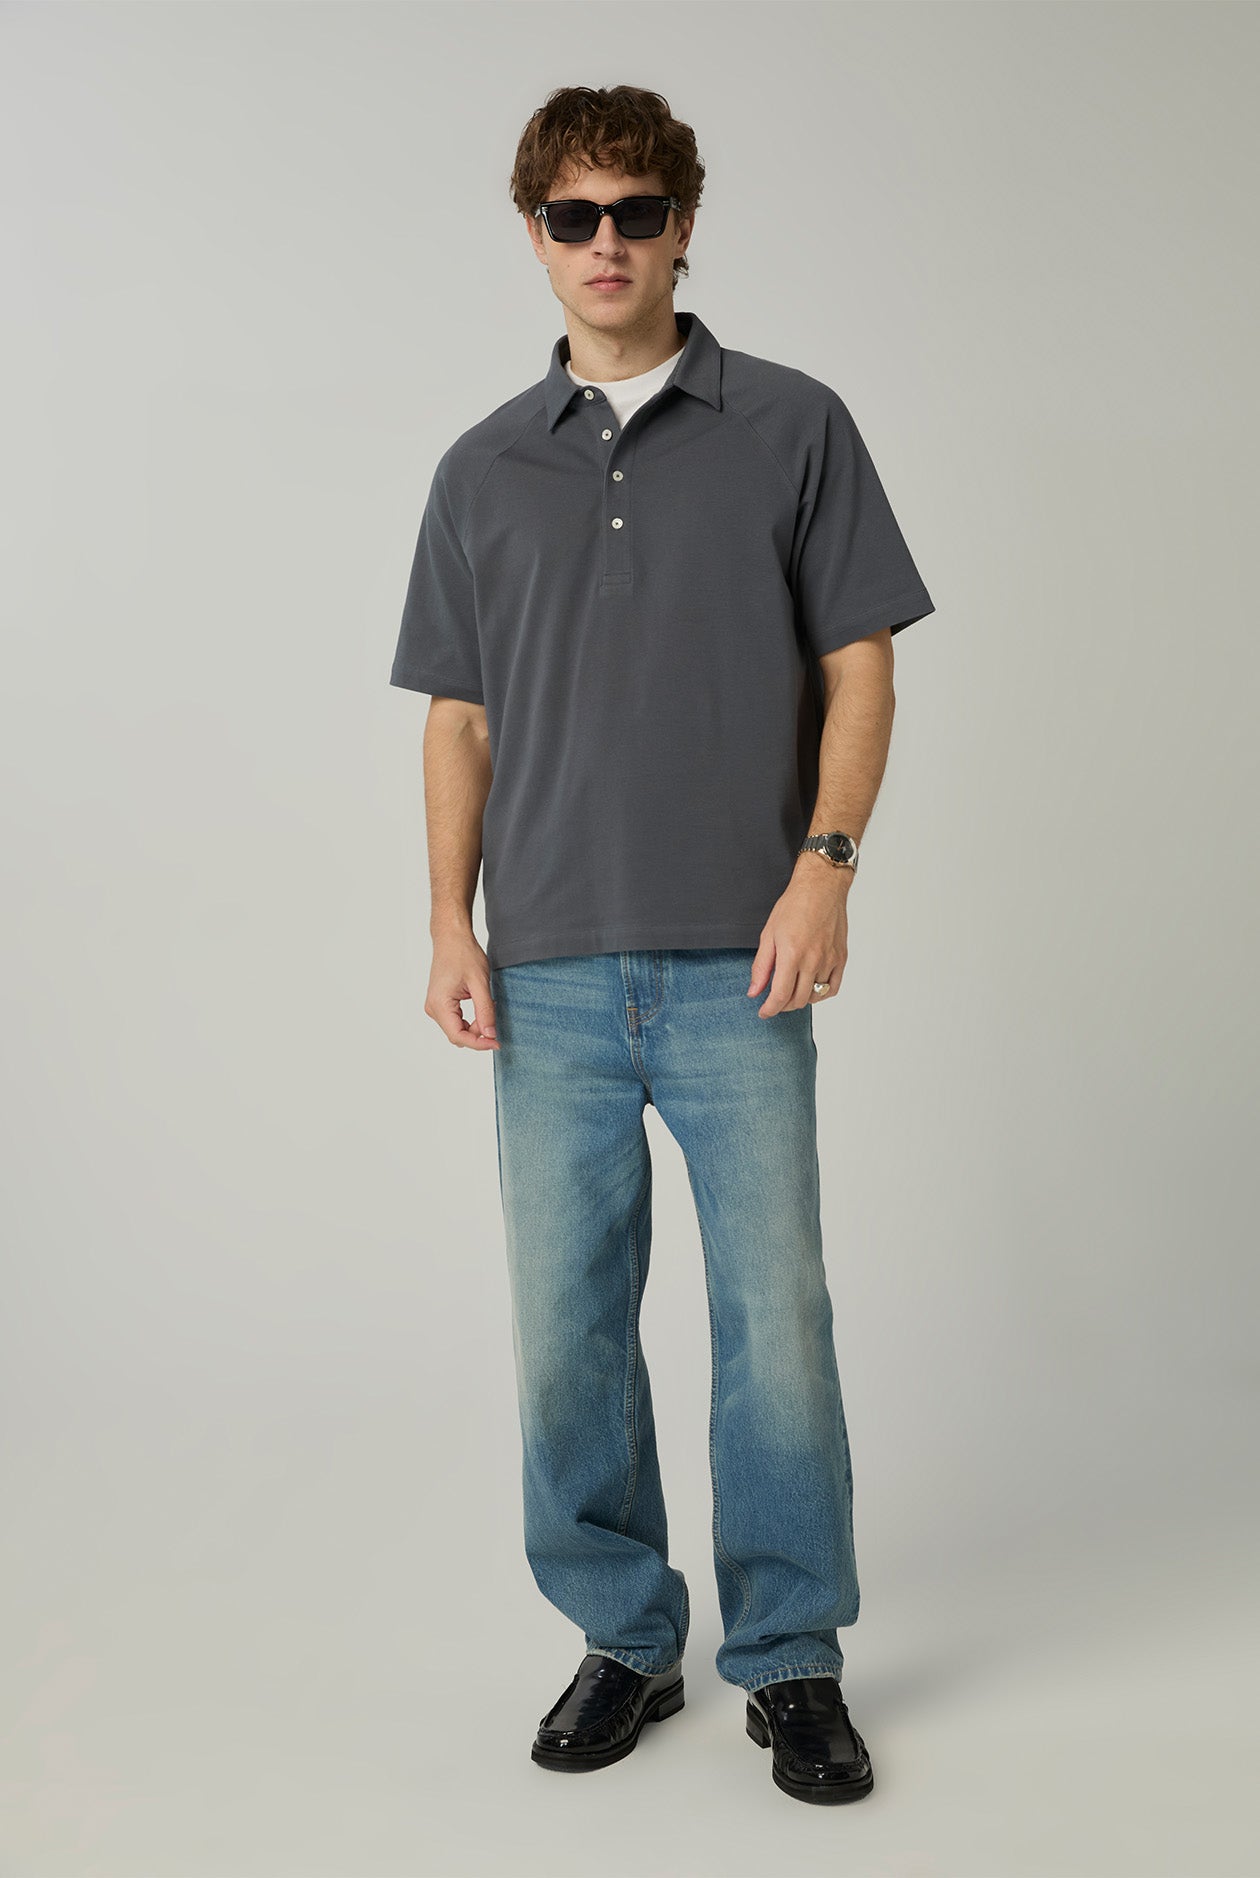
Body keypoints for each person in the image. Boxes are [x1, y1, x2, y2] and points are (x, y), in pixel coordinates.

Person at [389, 84, 935, 1806]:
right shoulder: (482, 466)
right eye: (575, 216)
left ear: (685, 224)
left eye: (636, 211)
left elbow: (861, 660)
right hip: (545, 970)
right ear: (535, 234)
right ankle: (625, 1633)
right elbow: (459, 716)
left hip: (738, 958)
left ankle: (792, 1656)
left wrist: (826, 866)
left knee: (778, 1320)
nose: (607, 242)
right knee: (567, 1327)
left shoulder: (793, 424)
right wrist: (448, 920)